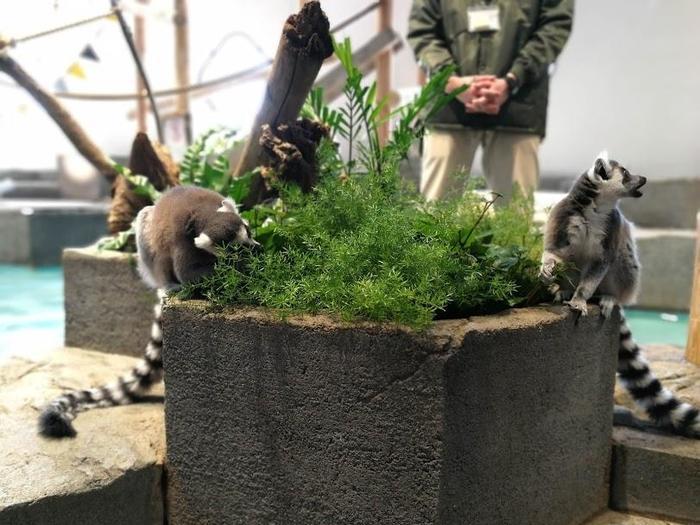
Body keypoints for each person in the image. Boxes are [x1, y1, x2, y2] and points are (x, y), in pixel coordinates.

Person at [407, 0, 574, 201]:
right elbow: (422, 30)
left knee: (513, 223)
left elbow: (555, 26)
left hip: (518, 109)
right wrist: (450, 81)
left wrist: (513, 79)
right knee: (434, 220)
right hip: (448, 108)